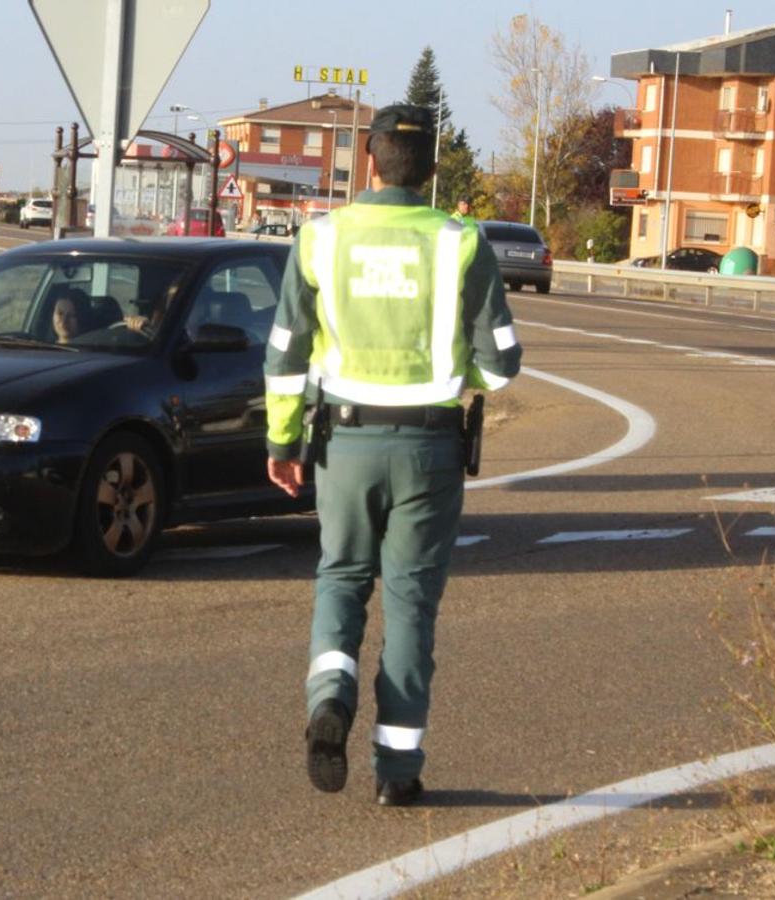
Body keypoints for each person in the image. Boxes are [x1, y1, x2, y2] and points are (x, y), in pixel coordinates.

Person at [263, 104, 521, 807]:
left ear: (371, 159)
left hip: (342, 443)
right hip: (429, 448)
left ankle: (330, 696)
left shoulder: (321, 239)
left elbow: (284, 352)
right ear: (433, 167)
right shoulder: (460, 242)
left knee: (341, 579)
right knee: (410, 607)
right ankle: (398, 772)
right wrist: (456, 375)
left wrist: (282, 441)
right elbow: (501, 364)